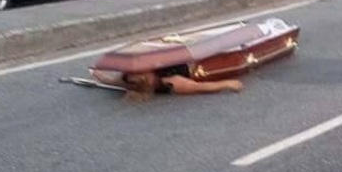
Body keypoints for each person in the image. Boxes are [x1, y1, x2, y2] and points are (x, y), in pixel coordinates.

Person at [89, 68, 242, 98]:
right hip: (194, 67)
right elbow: (200, 87)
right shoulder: (172, 82)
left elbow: (110, 81)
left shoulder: (128, 81)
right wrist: (226, 84)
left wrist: (96, 73)